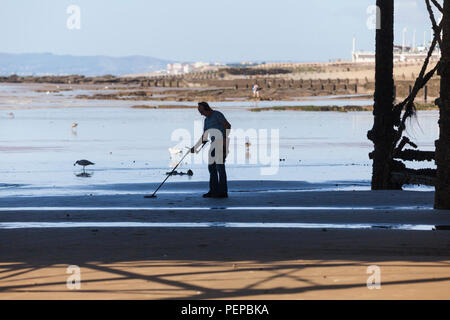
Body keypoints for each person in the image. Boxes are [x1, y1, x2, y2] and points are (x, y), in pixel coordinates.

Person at [191, 102, 231, 198]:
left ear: (206, 108)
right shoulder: (206, 121)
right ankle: (213, 191)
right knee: (211, 168)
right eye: (199, 111)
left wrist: (224, 139)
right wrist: (195, 147)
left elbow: (228, 126)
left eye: (201, 111)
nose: (200, 113)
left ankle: (223, 192)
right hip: (213, 144)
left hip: (221, 143)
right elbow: (204, 137)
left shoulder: (217, 114)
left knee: (220, 168)